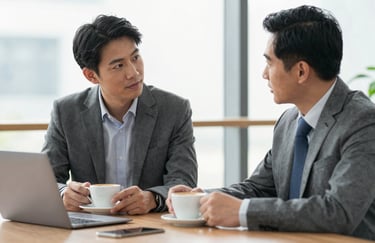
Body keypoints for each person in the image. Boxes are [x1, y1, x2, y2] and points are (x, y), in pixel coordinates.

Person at [166, 5, 375, 240]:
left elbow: (339, 212)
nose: (264, 74)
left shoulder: (363, 122)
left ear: (301, 71)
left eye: (270, 62)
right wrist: (201, 197)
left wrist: (242, 212)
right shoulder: (288, 122)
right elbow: (258, 187)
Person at [42, 14, 197, 215]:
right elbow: (47, 180)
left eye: (135, 58)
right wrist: (64, 193)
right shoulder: (66, 112)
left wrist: (152, 198)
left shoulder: (174, 109)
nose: (134, 72)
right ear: (91, 75)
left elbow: (184, 181)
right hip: (90, 229)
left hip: (152, 227)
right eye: (118, 65)